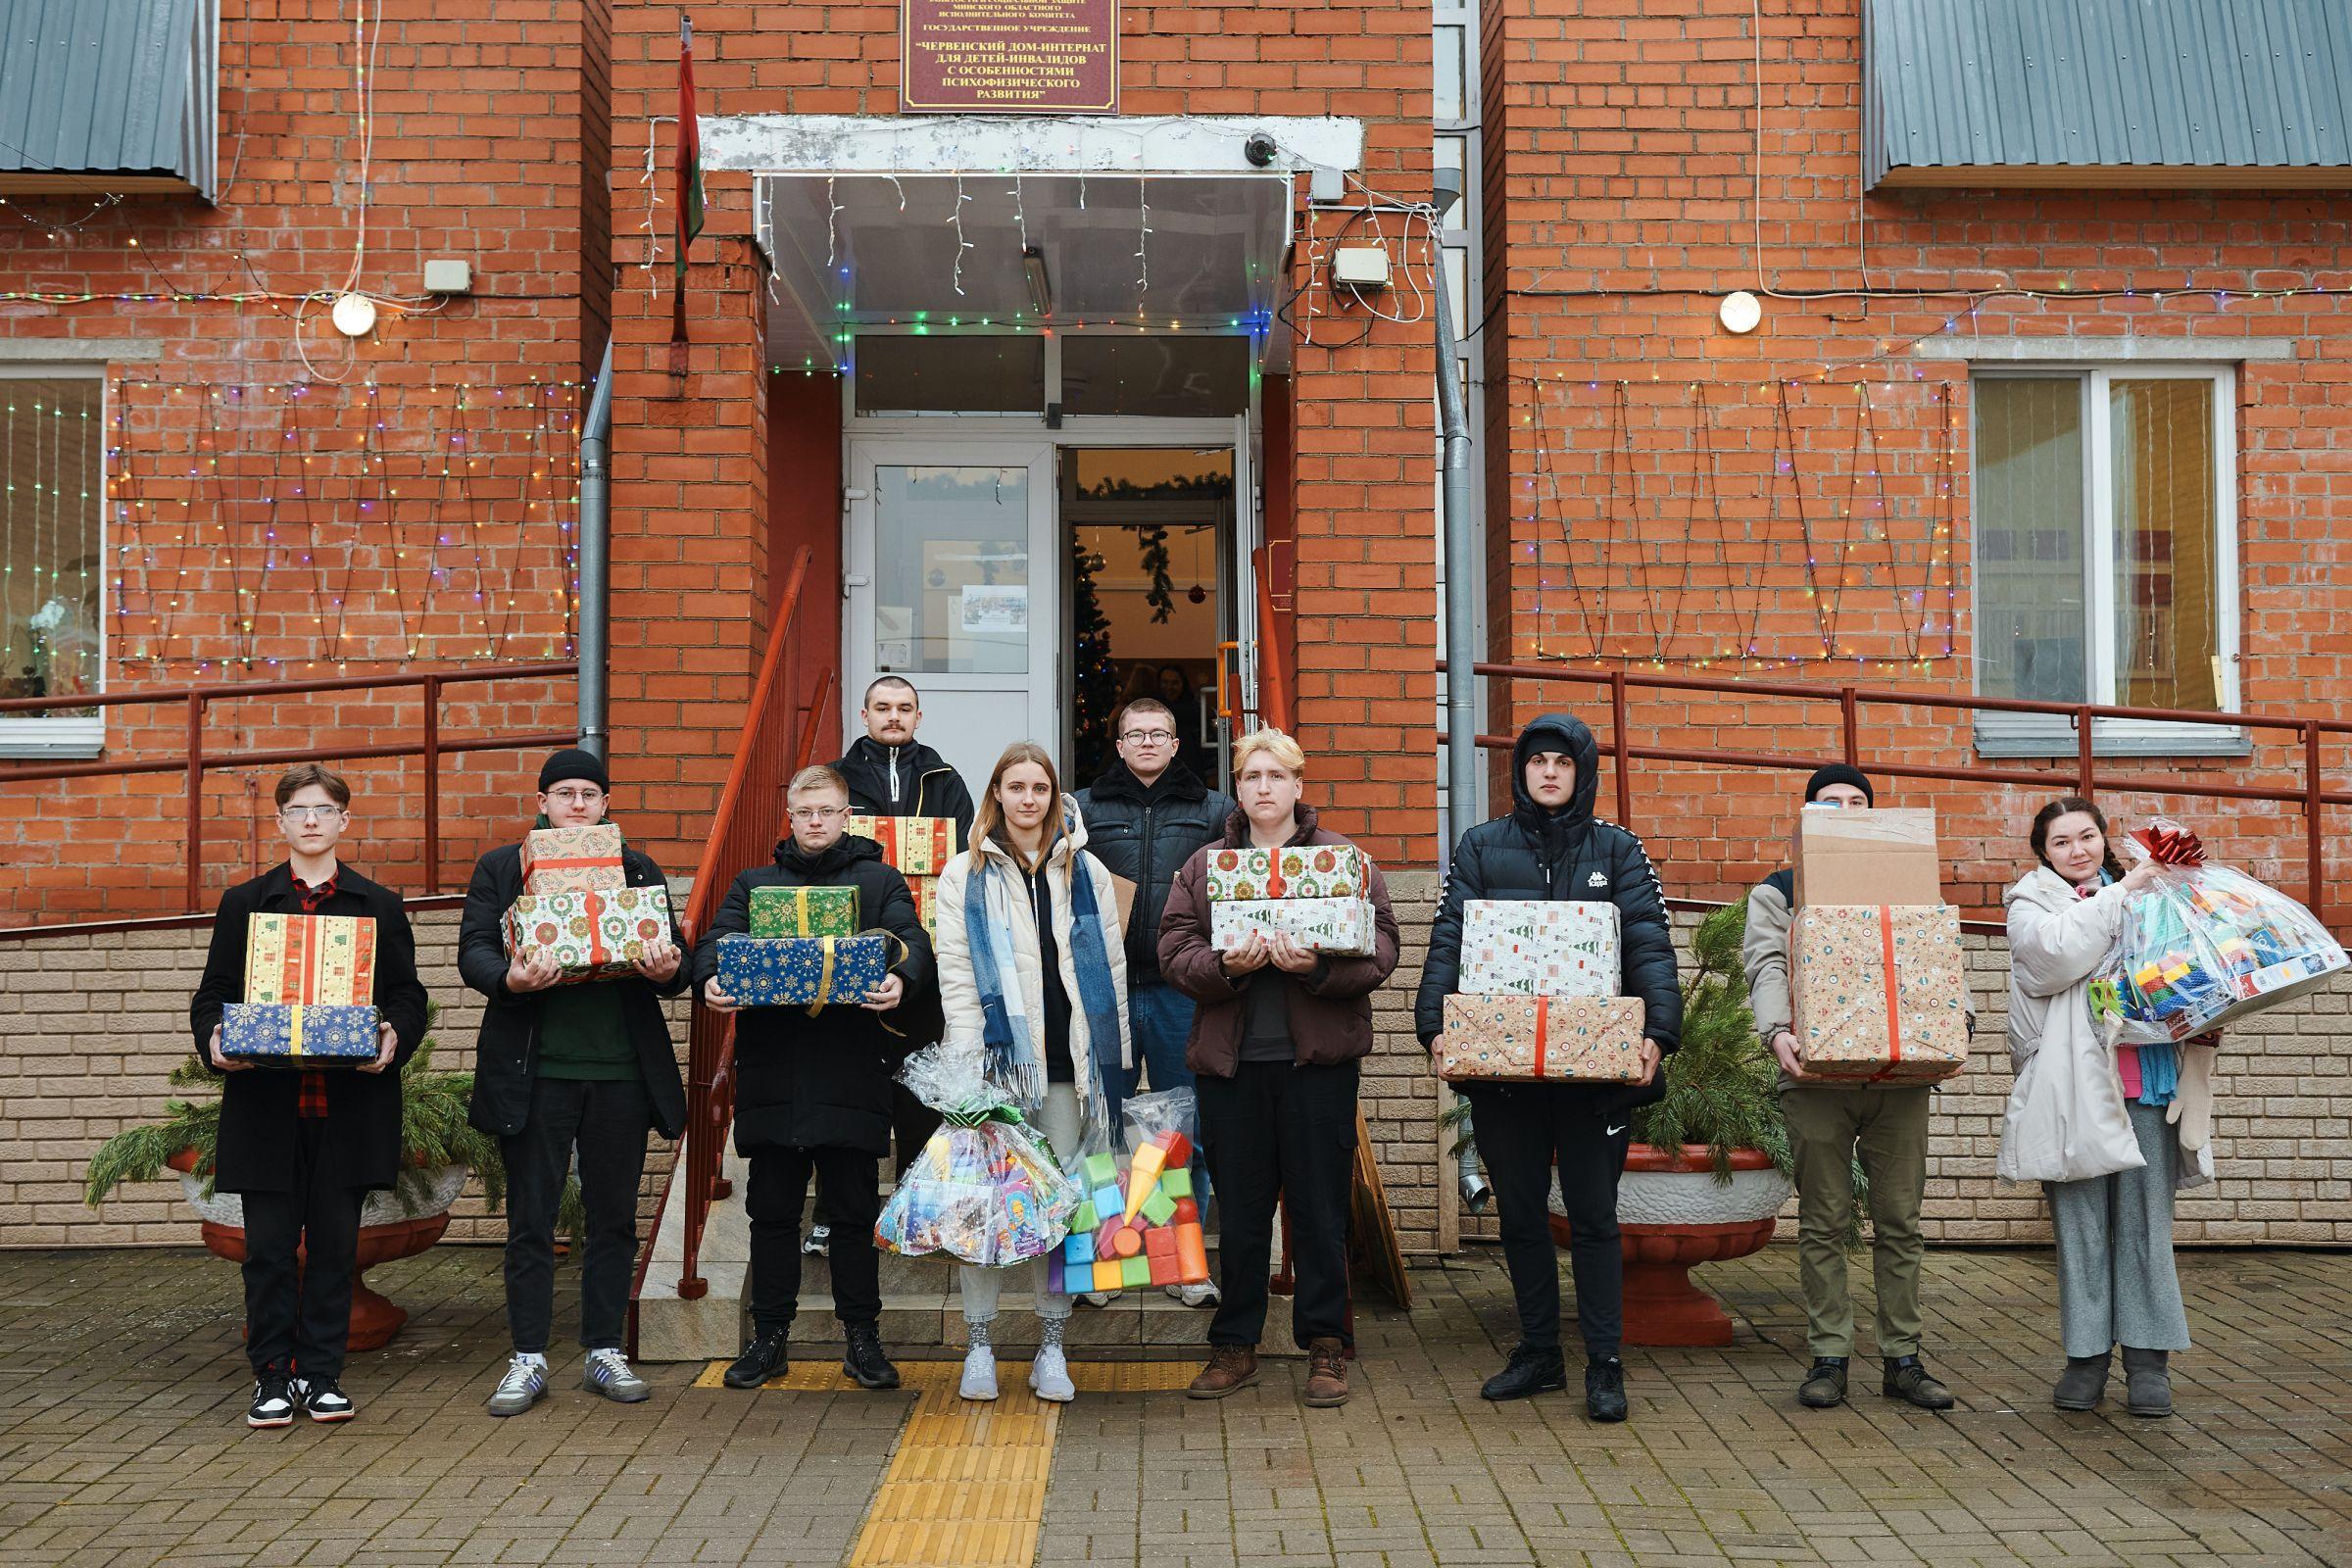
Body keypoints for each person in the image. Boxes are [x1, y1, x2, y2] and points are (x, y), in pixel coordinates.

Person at [1416, 714, 1679, 1421]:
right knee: (1522, 1215)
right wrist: (1435, 1025)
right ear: (1520, 771)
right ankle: (1538, 1352)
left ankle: (1605, 1362)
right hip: (1506, 1071)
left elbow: (1649, 943)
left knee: (1594, 1216)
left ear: (1582, 771)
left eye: (1564, 761)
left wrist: (1657, 1029)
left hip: (1596, 1075)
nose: (1551, 772)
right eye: (1538, 761)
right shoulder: (1479, 847)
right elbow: (1450, 939)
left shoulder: (1619, 850)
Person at [1158, 728, 1400, 1409]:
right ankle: (1235, 1344)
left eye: (1275, 775)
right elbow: (1174, 947)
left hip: (1316, 1065)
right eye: (1250, 776)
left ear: (1298, 785)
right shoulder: (1207, 864)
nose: (1263, 787)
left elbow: (1383, 945)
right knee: (1239, 1212)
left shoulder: (1343, 860)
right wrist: (1225, 967)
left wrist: (1319, 967)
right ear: (1237, 787)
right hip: (1231, 1067)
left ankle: (1326, 1347)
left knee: (1320, 1210)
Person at [189, 763, 429, 1428]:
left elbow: (409, 995)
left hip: (348, 1105)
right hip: (267, 1107)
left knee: (333, 1249)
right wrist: (213, 1039)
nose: (313, 821)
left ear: (345, 821)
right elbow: (213, 994)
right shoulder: (246, 903)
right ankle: (271, 1376)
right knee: (267, 1251)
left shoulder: (377, 904)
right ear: (281, 822)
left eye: (325, 809)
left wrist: (393, 1036)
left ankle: (321, 1375)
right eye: (299, 810)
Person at [459, 748, 690, 1417]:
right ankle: (527, 1358)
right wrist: (509, 979)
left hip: (620, 1073)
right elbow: (474, 948)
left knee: (614, 1220)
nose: (579, 804)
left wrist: (665, 967)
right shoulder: (505, 867)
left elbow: (673, 956)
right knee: (531, 1222)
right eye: (565, 793)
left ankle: (602, 1351)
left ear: (606, 804)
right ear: (543, 803)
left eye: (590, 793)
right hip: (536, 1076)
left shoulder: (634, 865)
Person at [694, 763, 934, 1394]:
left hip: (852, 1069)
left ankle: (863, 1340)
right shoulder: (755, 884)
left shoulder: (880, 880)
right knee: (770, 1215)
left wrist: (899, 980)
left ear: (847, 813)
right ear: (791, 817)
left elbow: (912, 941)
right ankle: (769, 1339)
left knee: (853, 1216)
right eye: (805, 812)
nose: (817, 821)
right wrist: (712, 980)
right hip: (773, 1070)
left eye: (827, 810)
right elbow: (715, 945)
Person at [1740, 763, 1960, 1412]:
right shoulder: (1779, 891)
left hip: (1900, 1078)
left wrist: (1960, 1024)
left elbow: (1934, 954)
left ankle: (1903, 1359)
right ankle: (1829, 1358)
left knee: (1900, 1223)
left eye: (1855, 801)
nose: (1841, 810)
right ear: (1807, 817)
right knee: (1824, 1222)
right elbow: (1766, 963)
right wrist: (1778, 1033)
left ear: (1872, 814)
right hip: (1815, 1077)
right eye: (1827, 802)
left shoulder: (1906, 877)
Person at [2000, 796, 2217, 1419]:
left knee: (2147, 1227)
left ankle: (2149, 1361)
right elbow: (2053, 960)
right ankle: (2087, 1358)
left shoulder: (2147, 891)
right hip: (2073, 1090)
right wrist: (2124, 896)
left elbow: (2185, 968)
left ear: (2104, 839)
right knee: (2081, 1229)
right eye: (2062, 841)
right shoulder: (2031, 903)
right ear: (2043, 852)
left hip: (2144, 1083)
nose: (2078, 850)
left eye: (2088, 836)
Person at [933, 742, 1133, 1404]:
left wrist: (1114, 1068)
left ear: (1054, 797)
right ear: (996, 795)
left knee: (1061, 1209)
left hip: (1067, 1071)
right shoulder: (963, 873)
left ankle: (1052, 1346)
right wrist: (971, 1077)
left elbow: (1113, 975)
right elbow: (957, 979)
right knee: (982, 1210)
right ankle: (980, 1345)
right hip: (994, 1069)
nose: (1027, 799)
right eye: (1015, 787)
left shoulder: (1088, 871)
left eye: (1039, 788)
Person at [1075, 695, 1238, 1308]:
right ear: (1117, 745)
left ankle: (1183, 1261)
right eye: (1134, 733)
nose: (1146, 742)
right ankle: (1107, 1259)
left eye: (1159, 733)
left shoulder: (1213, 810)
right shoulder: (1085, 809)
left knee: (1182, 1131)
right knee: (1105, 1129)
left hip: (1180, 991)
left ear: (1176, 744)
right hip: (1106, 991)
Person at [826, 675, 979, 1250]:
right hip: (852, 944)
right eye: (883, 708)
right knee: (853, 1087)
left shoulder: (944, 779)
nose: (894, 717)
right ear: (864, 715)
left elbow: (965, 852)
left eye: (904, 708)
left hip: (930, 954)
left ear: (919, 716)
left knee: (920, 1087)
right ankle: (841, 1217)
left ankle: (918, 1210)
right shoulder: (837, 782)